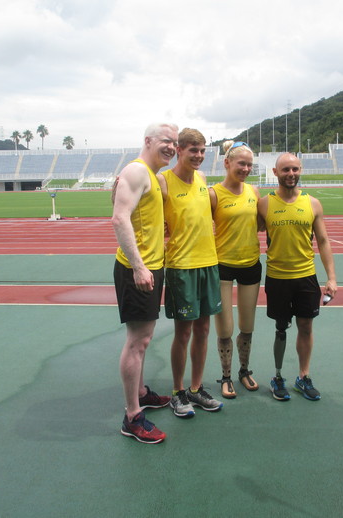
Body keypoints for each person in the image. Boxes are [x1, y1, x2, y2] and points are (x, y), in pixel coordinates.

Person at [112, 122, 178, 443]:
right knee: (137, 342)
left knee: (145, 339)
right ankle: (132, 416)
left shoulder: (151, 176)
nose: (172, 147)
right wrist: (139, 267)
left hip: (152, 266)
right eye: (166, 141)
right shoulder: (137, 171)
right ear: (148, 140)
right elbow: (119, 218)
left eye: (175, 143)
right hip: (138, 269)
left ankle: (140, 392)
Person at [257, 153, 337, 401]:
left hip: (306, 276)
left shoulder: (313, 203)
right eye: (285, 170)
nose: (290, 174)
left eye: (294, 169)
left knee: (306, 326)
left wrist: (331, 278)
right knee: (281, 328)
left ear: (300, 169)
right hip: (278, 278)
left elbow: (323, 241)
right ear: (275, 172)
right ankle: (278, 377)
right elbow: (248, 228)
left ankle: (303, 376)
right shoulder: (264, 204)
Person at [157, 128, 224, 418]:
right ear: (179, 150)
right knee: (183, 333)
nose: (198, 156)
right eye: (192, 150)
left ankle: (196, 389)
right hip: (181, 267)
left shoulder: (202, 179)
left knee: (204, 330)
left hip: (208, 263)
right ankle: (177, 392)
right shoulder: (163, 181)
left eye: (202, 151)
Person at [209, 141, 262, 399]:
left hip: (251, 264)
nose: (246, 168)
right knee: (225, 328)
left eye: (250, 164)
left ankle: (244, 370)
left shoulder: (254, 191)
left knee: (247, 324)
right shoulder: (213, 194)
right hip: (222, 266)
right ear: (227, 163)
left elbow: (264, 223)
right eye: (241, 163)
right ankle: (226, 376)